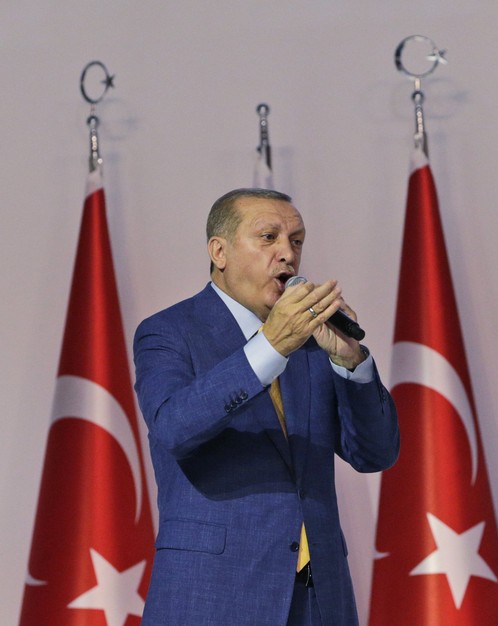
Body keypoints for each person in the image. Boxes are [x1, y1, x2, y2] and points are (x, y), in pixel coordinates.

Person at [133, 188, 399, 625]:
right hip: (213, 593)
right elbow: (173, 426)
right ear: (220, 252)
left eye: (296, 241)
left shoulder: (313, 343)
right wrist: (270, 347)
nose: (287, 255)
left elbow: (375, 454)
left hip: (318, 600)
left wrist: (352, 362)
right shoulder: (168, 332)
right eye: (269, 237)